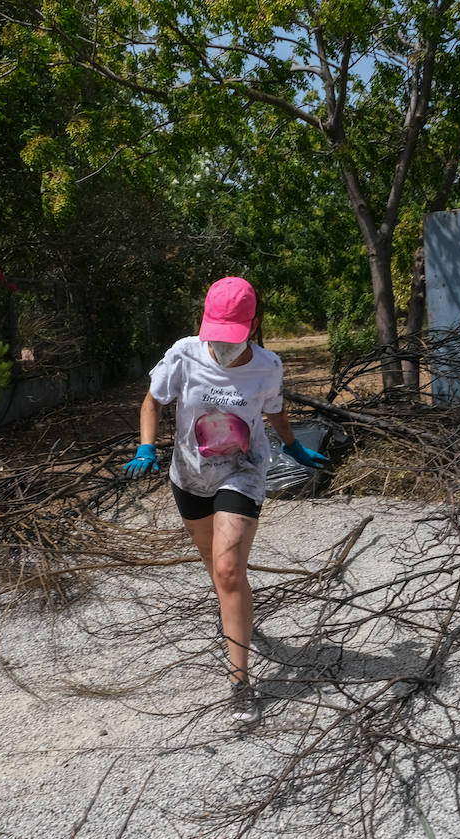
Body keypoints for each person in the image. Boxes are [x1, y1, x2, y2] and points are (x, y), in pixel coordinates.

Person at [122, 276, 328, 725]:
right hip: (190, 475)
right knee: (216, 568)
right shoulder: (184, 353)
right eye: (216, 332)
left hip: (242, 472)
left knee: (230, 569)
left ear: (252, 326)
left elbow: (274, 410)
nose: (222, 344)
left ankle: (240, 682)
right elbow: (153, 402)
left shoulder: (268, 366)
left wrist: (292, 445)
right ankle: (234, 613)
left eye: (233, 334)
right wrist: (145, 446)